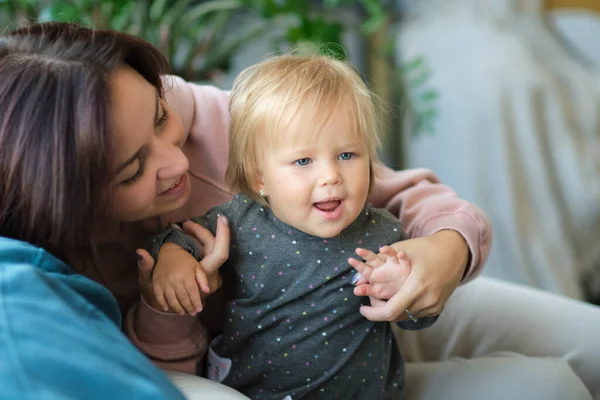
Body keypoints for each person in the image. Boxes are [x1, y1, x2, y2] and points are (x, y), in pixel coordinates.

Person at [0, 22, 597, 400]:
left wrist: (446, 250)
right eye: (133, 169)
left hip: (370, 302)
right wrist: (166, 302)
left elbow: (406, 196)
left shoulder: (219, 118)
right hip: (255, 366)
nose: (176, 161)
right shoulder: (43, 271)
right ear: (70, 202)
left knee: (583, 350)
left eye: (161, 116)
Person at [146, 53, 438, 399]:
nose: (331, 176)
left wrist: (402, 292)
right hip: (255, 391)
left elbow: (418, 317)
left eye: (347, 155)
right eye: (303, 161)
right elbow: (178, 238)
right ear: (259, 178)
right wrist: (172, 257)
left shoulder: (384, 233)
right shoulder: (240, 222)